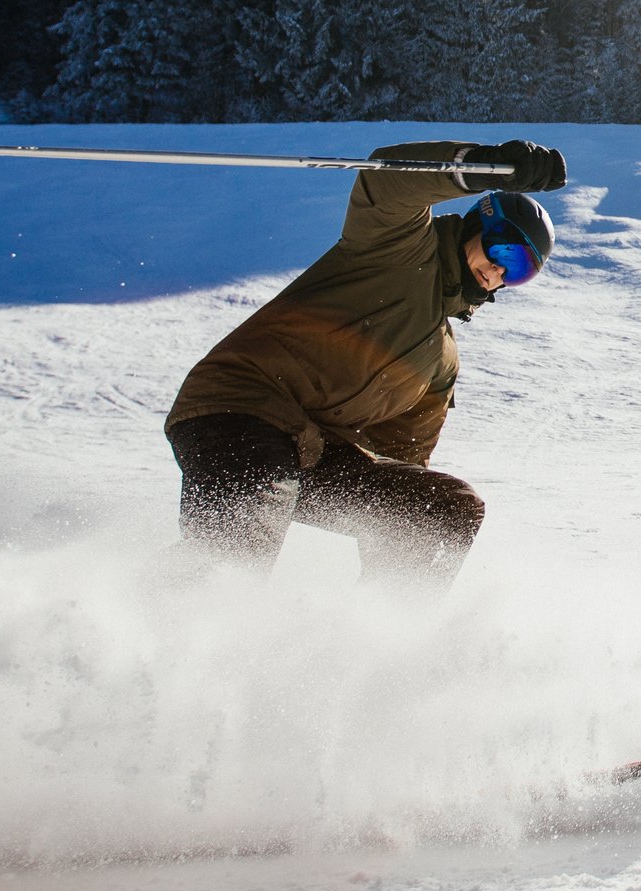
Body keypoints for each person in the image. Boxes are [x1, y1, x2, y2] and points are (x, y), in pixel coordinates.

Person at [163, 138, 567, 587]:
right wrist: (482, 168)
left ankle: (388, 638)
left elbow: (400, 454)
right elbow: (385, 180)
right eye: (503, 250)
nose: (498, 272)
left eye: (520, 270)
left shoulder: (441, 359)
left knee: (445, 506)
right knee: (243, 540)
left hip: (310, 449)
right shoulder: (396, 248)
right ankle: (136, 620)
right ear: (478, 225)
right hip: (240, 405)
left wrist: (393, 566)